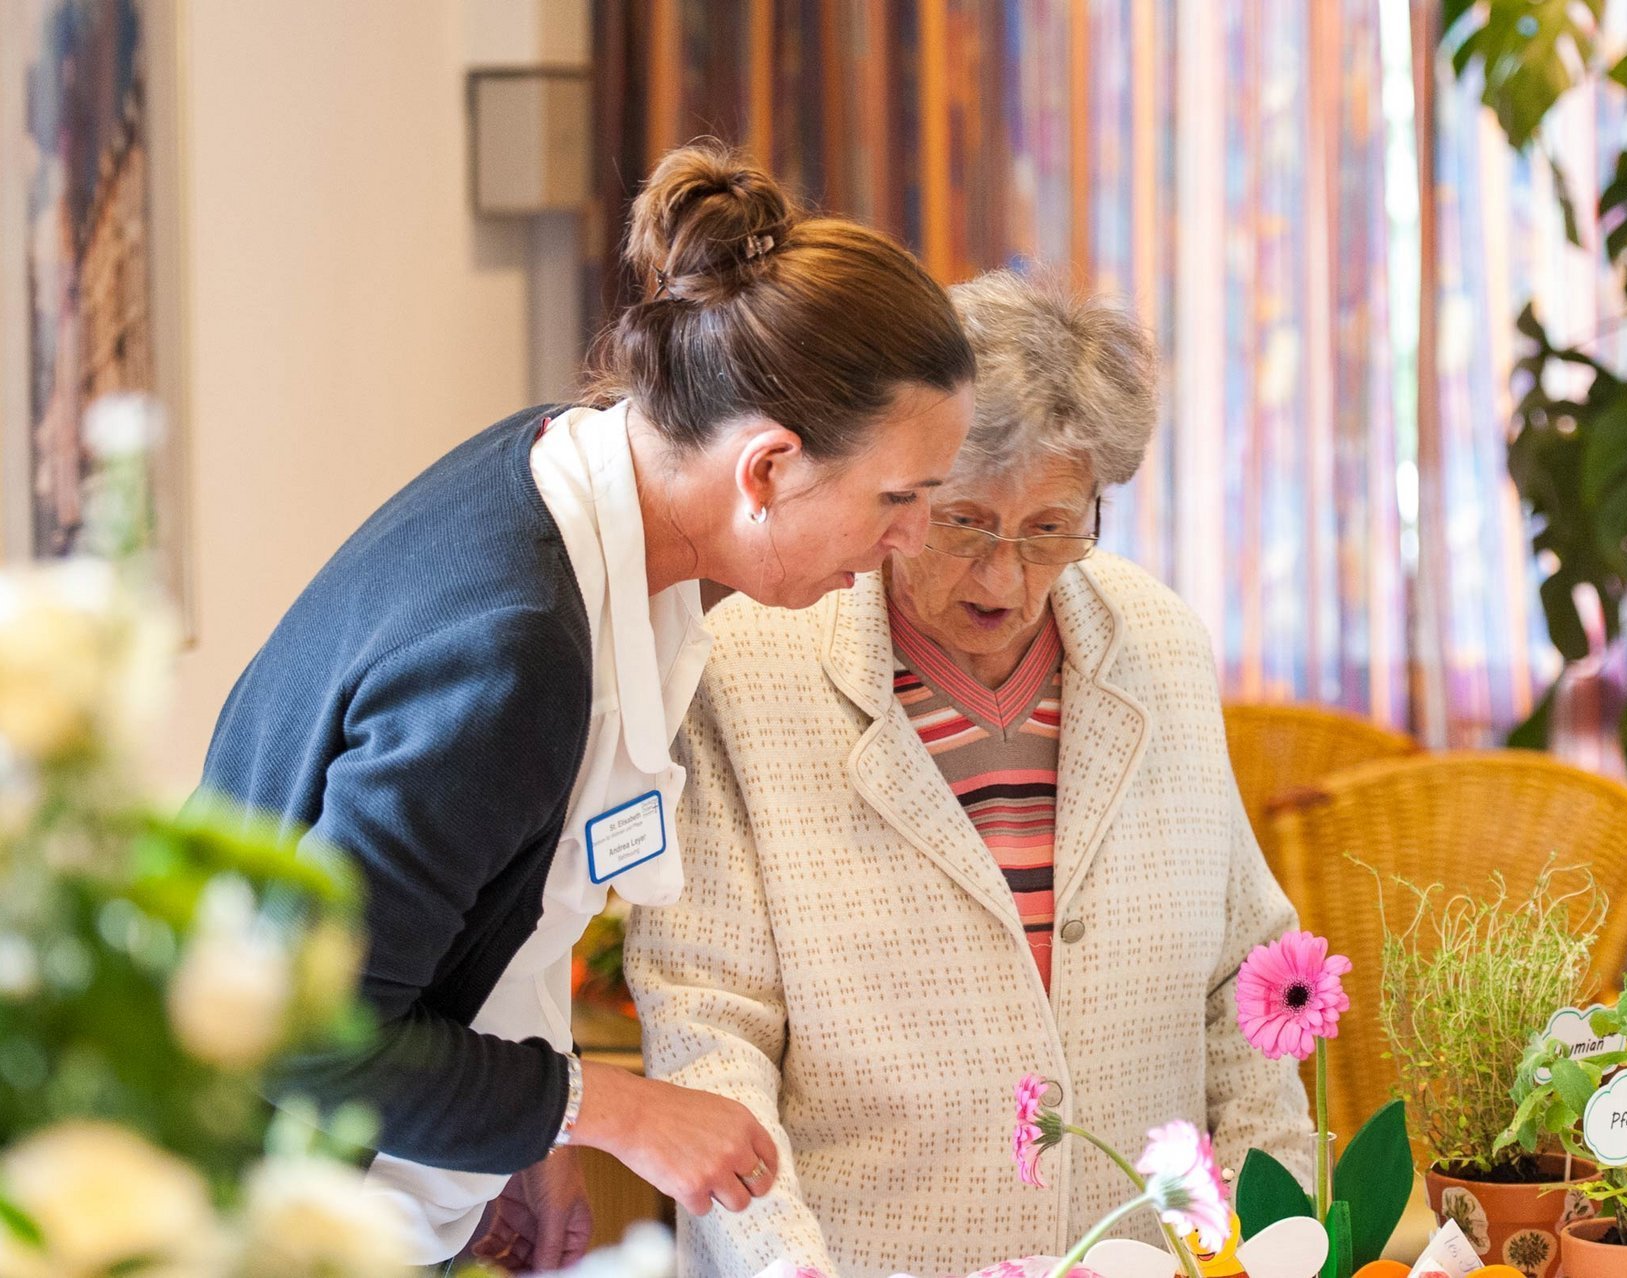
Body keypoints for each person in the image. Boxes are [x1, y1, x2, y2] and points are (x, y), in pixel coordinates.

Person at [196, 142, 975, 1271]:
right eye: (896, 499)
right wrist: (608, 1110)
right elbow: (302, 1037)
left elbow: (490, 901)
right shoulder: (513, 652)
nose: (909, 542)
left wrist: (520, 1128)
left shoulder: (562, 474)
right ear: (766, 469)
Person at [625, 270, 1313, 1278]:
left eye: (1051, 530)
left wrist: (1266, 1238)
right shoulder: (750, 670)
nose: (1005, 578)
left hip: (1145, 1255)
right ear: (901, 492)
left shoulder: (1158, 646)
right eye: (965, 525)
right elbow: (705, 1024)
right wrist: (782, 1267)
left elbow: (1244, 973)